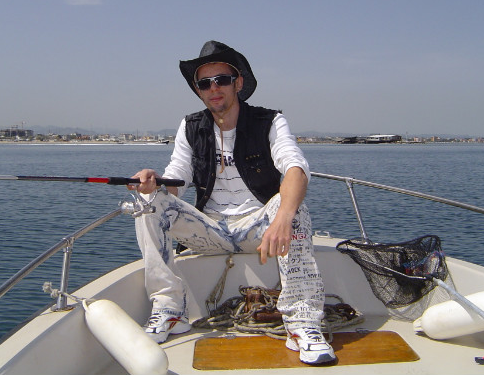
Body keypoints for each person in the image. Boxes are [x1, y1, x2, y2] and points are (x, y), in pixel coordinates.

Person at [130, 40, 335, 365]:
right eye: (204, 83)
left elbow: (295, 168)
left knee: (294, 209)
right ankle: (170, 309)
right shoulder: (191, 127)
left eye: (221, 80)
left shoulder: (270, 121)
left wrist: (283, 217)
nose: (214, 88)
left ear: (237, 83)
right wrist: (154, 185)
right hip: (209, 231)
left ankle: (302, 322)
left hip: (260, 231)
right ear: (198, 90)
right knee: (147, 202)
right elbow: (178, 178)